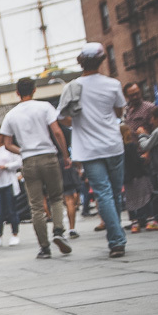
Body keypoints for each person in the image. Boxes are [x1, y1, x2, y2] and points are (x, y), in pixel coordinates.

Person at [57, 44, 128, 258]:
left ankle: (116, 241)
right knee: (114, 193)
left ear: (80, 61)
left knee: (103, 194)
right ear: (102, 60)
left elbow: (62, 117)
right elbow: (118, 112)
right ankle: (117, 236)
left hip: (88, 149)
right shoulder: (113, 84)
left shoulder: (71, 87)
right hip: (113, 144)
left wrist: (78, 123)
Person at [0, 77, 74, 259]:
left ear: (17, 93)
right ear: (34, 90)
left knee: (36, 206)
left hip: (28, 161)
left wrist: (22, 150)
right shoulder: (45, 107)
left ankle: (44, 247)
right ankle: (58, 231)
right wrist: (65, 155)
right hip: (48, 156)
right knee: (56, 197)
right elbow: (57, 131)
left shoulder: (11, 115)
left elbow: (7, 143)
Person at [121, 124, 154, 232]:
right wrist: (143, 158)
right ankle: (150, 220)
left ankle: (135, 223)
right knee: (145, 197)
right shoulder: (131, 145)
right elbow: (136, 161)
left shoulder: (119, 148)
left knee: (131, 199)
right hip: (138, 175)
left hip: (127, 177)